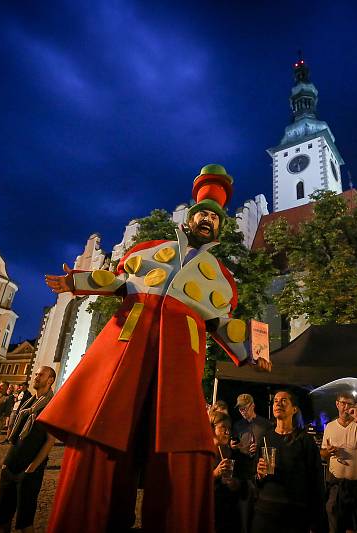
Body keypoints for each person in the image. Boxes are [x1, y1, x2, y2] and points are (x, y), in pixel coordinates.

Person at [40, 164, 271, 532]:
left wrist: (253, 354)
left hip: (179, 363)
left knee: (179, 442)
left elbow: (223, 325)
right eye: (203, 214)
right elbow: (115, 281)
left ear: (220, 226)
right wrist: (75, 281)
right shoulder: (150, 251)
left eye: (214, 216)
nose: (208, 220)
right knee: (105, 432)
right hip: (127, 350)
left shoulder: (220, 277)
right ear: (191, 220)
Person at [0, 366, 56, 533]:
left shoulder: (52, 405)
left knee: (25, 523)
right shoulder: (27, 402)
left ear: (50, 380)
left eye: (41, 374)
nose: (36, 376)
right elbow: (16, 437)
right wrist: (6, 462)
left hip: (29, 471)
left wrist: (33, 467)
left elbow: (50, 441)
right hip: (11, 465)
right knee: (1, 520)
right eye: (36, 374)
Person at [254, 390, 325, 533]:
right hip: (265, 511)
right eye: (275, 401)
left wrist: (316, 520)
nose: (278, 403)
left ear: (294, 409)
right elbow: (255, 477)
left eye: (284, 400)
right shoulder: (265, 437)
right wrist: (259, 474)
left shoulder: (304, 440)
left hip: (294, 513)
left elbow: (316, 481)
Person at [321, 393, 357, 533]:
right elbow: (322, 453)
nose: (346, 407)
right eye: (343, 403)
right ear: (337, 404)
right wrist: (328, 452)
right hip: (337, 484)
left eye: (350, 404)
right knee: (335, 524)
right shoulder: (329, 426)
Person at [232, 393, 273, 533]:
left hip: (260, 475)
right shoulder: (237, 426)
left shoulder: (266, 425)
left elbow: (271, 448)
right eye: (240, 409)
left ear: (253, 405)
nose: (243, 412)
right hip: (243, 475)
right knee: (244, 516)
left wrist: (260, 448)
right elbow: (233, 447)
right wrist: (233, 446)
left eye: (245, 408)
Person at [211, 411, 243, 533]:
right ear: (212, 428)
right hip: (210, 510)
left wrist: (233, 483)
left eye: (229, 428)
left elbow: (239, 484)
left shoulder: (230, 453)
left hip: (227, 512)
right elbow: (196, 483)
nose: (228, 432)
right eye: (223, 427)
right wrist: (216, 473)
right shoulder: (205, 453)